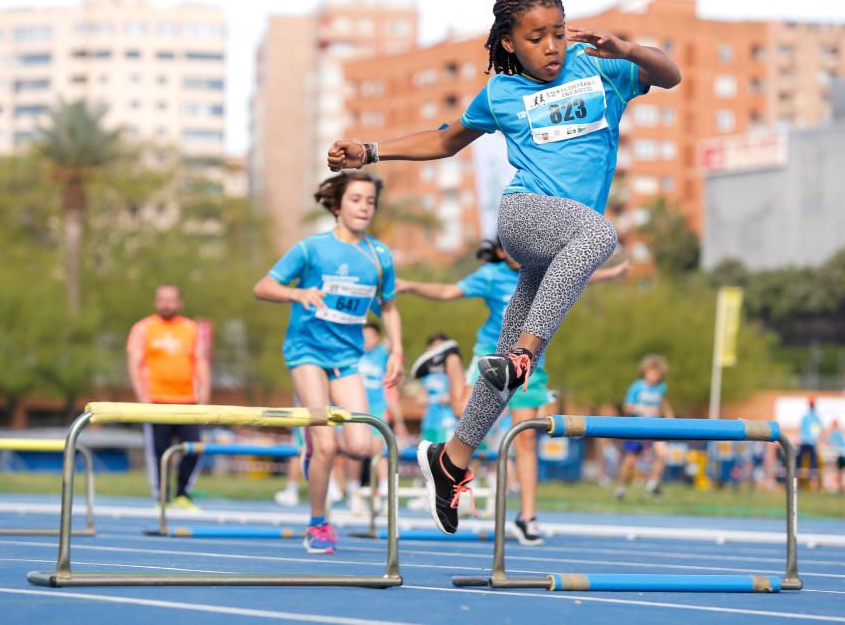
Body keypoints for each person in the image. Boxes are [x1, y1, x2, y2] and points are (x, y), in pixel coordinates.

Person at [328, 0, 679, 533]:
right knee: (599, 237)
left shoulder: (600, 66)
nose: (552, 47)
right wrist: (370, 150)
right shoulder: (501, 94)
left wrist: (629, 50)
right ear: (510, 43)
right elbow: (445, 140)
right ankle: (523, 353)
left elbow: (670, 74)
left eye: (558, 33)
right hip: (526, 216)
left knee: (510, 370)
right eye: (536, 37)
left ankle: (452, 460)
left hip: (561, 242)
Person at [398, 239, 628, 543]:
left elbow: (577, 274)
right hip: (492, 353)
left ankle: (527, 517)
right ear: (500, 251)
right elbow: (447, 291)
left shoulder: (546, 272)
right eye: (510, 248)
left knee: (526, 437)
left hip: (529, 362)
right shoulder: (490, 276)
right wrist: (407, 284)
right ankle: (451, 359)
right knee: (461, 412)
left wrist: (611, 274)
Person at [253, 171, 403, 554]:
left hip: (347, 357)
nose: (364, 207)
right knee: (325, 446)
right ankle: (318, 524)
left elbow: (388, 306)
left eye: (370, 201)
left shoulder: (379, 255)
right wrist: (297, 293)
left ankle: (314, 450)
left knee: (360, 445)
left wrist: (397, 350)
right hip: (306, 353)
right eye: (356, 200)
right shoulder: (311, 249)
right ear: (337, 206)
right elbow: (263, 287)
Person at [127, 285, 211, 510]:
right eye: (162, 300)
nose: (167, 304)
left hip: (188, 401)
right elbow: (134, 363)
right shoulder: (143, 328)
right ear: (156, 302)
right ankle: (162, 497)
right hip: (156, 401)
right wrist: (142, 396)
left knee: (194, 448)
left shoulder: (191, 328)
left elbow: (201, 360)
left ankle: (183, 493)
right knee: (158, 452)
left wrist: (205, 391)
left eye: (171, 300)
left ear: (179, 303)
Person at [347, 322, 409, 514]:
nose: (366, 339)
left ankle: (383, 491)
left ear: (376, 338)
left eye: (370, 336)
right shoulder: (352, 352)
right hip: (353, 406)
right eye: (363, 335)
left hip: (376, 408)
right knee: (354, 450)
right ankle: (353, 492)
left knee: (378, 448)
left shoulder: (382, 354)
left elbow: (392, 336)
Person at [614, 355, 674, 499]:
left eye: (657, 373)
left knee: (662, 453)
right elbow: (627, 407)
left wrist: (669, 415)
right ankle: (620, 489)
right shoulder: (637, 387)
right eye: (652, 372)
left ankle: (652, 484)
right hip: (637, 426)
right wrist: (644, 410)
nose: (654, 376)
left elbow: (662, 404)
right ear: (645, 371)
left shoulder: (661, 388)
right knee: (630, 461)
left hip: (655, 426)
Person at [797, 397, 825, 491]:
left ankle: (803, 484)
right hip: (810, 442)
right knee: (812, 465)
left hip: (805, 442)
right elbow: (821, 430)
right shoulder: (815, 417)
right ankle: (808, 485)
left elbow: (801, 430)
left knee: (800, 465)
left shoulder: (806, 416)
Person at [826, 419, 845, 494]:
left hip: (843, 454)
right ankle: (842, 488)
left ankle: (842, 488)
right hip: (844, 454)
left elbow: (829, 442)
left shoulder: (835, 433)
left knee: (842, 472)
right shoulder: (839, 433)